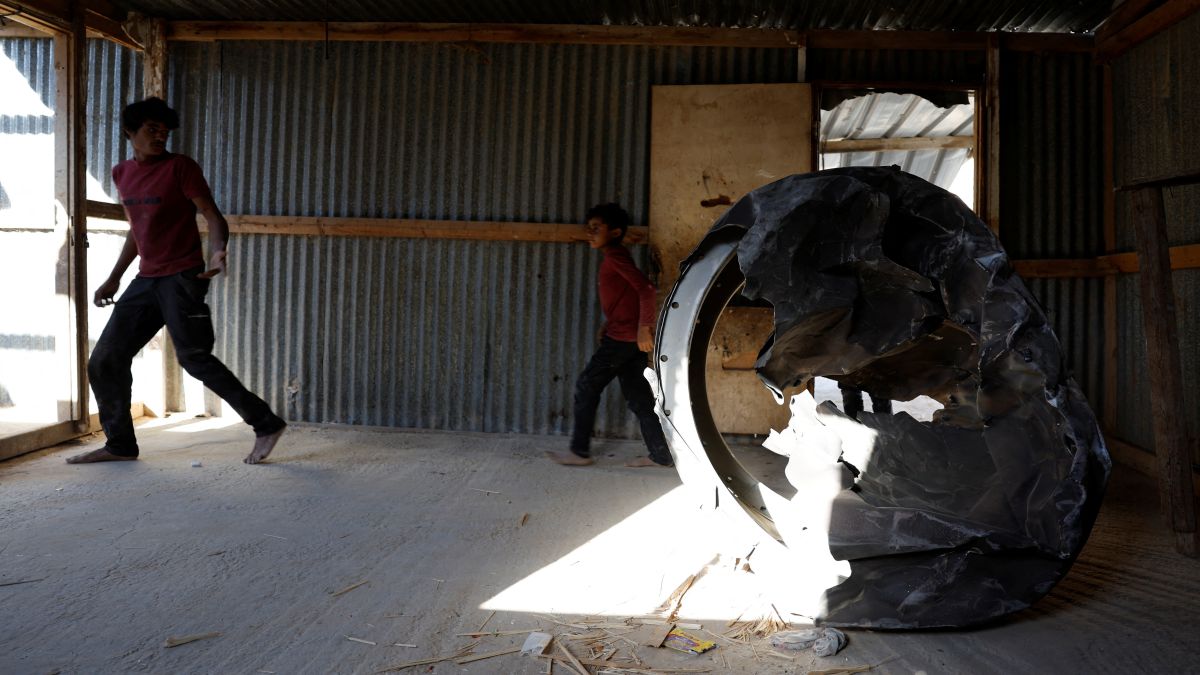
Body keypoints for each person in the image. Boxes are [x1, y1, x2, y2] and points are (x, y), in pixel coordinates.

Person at [66, 97, 286, 465]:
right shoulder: (122, 173)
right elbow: (137, 231)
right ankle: (120, 445)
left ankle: (266, 424)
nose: (160, 136)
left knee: (194, 357)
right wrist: (114, 278)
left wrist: (218, 252)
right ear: (130, 132)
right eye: (152, 129)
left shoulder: (180, 167)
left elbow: (213, 217)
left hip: (182, 276)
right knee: (104, 360)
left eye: (164, 132)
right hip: (146, 279)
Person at [547, 203, 674, 469]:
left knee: (587, 385)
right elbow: (625, 297)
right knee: (639, 398)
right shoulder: (615, 256)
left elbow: (646, 289)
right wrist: (610, 322)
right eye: (589, 228)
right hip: (623, 336)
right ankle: (661, 455)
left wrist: (644, 327)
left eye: (596, 228)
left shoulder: (616, 256)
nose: (590, 233)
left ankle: (580, 452)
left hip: (622, 341)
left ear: (615, 233)